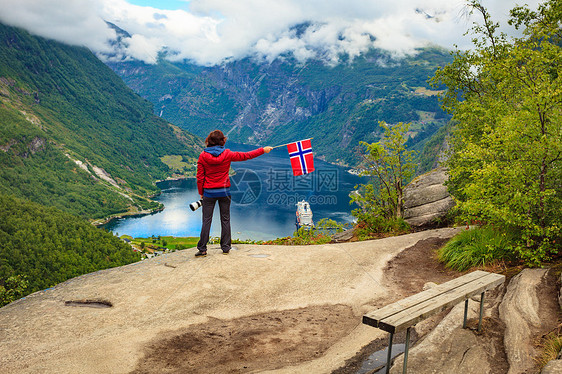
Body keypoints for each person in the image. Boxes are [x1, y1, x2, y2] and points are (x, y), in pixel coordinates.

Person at [195, 130, 272, 257]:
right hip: (224, 192)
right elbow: (246, 155)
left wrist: (201, 193)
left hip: (209, 192)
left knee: (206, 220)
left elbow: (200, 177)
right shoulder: (227, 154)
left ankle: (202, 248)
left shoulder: (203, 156)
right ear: (222, 141)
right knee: (225, 219)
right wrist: (262, 150)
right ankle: (225, 247)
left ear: (208, 141)